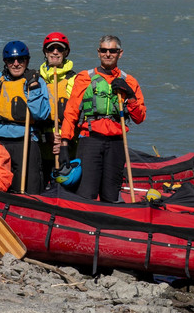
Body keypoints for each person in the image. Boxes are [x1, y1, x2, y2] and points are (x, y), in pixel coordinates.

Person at [57, 35, 146, 202]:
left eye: (112, 50)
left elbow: (140, 118)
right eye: (104, 50)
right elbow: (71, 113)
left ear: (120, 53)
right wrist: (64, 143)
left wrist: (131, 95)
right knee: (86, 192)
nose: (108, 54)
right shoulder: (84, 78)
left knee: (111, 194)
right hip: (90, 140)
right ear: (98, 53)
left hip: (116, 142)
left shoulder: (129, 81)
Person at [0, 41, 49, 194]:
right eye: (11, 61)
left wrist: (33, 87)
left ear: (27, 60)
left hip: (25, 138)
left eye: (20, 60)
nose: (16, 64)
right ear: (5, 63)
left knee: (29, 185)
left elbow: (41, 114)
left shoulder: (37, 81)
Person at [40, 32, 77, 184]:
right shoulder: (36, 79)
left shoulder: (74, 80)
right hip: (42, 145)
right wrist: (45, 136)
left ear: (66, 53)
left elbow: (77, 114)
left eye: (59, 49)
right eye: (51, 49)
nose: (55, 52)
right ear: (45, 53)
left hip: (65, 147)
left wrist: (63, 142)